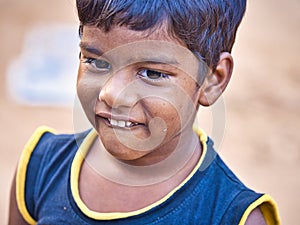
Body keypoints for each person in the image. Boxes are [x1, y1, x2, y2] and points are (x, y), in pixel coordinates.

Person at [9, 0, 281, 224]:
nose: (110, 93)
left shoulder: (233, 216)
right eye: (96, 62)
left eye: (151, 73)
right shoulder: (40, 168)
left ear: (212, 79)